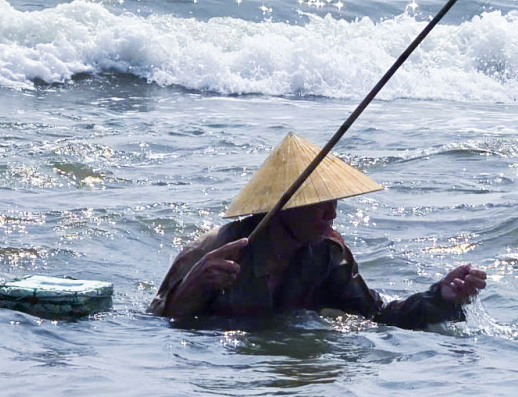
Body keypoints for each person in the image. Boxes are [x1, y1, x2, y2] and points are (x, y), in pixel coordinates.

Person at [149, 131, 486, 328]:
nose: (332, 213)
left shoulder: (327, 254)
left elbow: (378, 315)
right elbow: (158, 324)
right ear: (285, 207)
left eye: (334, 201)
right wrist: (195, 285)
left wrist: (440, 295)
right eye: (319, 202)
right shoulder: (212, 254)